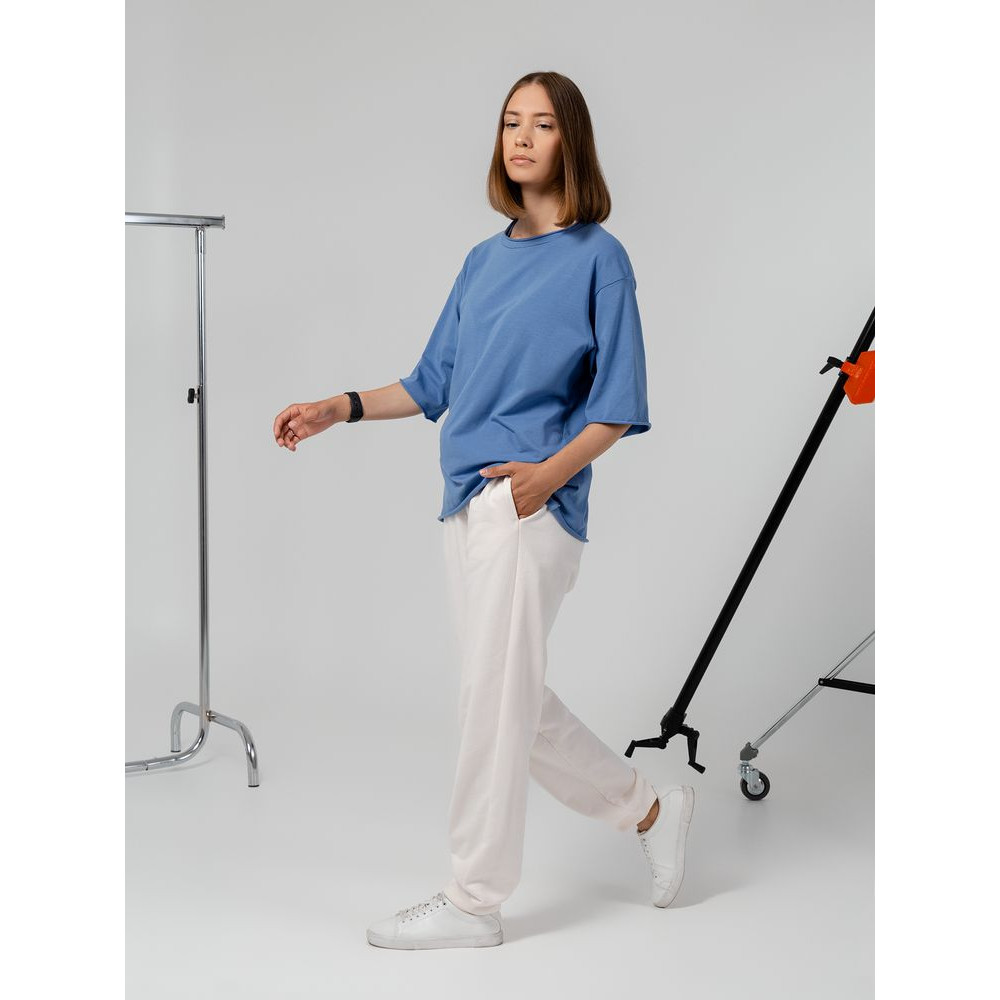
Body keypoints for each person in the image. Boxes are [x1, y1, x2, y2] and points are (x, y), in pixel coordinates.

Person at [272, 71, 695, 951]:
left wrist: (543, 479)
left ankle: (474, 900)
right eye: (511, 123)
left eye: (542, 124)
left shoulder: (599, 258)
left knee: (491, 703)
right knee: (511, 701)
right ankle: (651, 806)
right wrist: (337, 407)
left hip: (530, 507)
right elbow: (431, 383)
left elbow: (619, 404)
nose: (523, 137)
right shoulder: (482, 260)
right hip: (465, 502)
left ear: (571, 141)